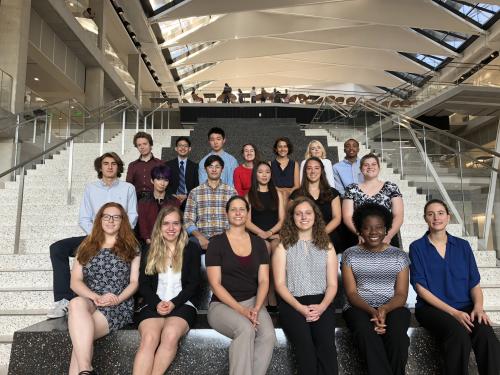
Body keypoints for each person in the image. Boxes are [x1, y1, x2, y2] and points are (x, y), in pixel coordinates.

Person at [409, 199, 500, 375]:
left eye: (441, 213)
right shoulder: (417, 247)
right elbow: (420, 289)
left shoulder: (463, 246)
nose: (436, 217)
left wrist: (479, 308)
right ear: (425, 219)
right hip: (432, 309)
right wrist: (454, 313)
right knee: (458, 336)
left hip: (465, 305)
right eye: (431, 214)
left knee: (486, 336)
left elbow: (474, 283)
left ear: (448, 217)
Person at [48, 152, 138, 319]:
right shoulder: (91, 188)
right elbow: (84, 217)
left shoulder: (128, 188)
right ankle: (63, 300)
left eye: (113, 163)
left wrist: (116, 234)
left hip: (120, 236)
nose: (110, 166)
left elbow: (132, 216)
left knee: (141, 250)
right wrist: (98, 236)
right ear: (100, 167)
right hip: (94, 236)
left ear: (118, 167)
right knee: (57, 248)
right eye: (106, 163)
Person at [68, 202, 140, 375]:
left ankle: (84, 370)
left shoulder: (132, 247)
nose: (111, 220)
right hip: (92, 299)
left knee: (80, 340)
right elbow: (75, 282)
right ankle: (87, 369)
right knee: (76, 303)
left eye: (116, 217)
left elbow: (134, 282)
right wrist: (95, 297)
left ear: (122, 221)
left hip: (118, 304)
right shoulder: (87, 245)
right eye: (106, 216)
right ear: (99, 219)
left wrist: (118, 298)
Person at [206, 196, 276, 375]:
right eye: (233, 209)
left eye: (242, 209)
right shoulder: (216, 243)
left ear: (247, 213)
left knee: (268, 335)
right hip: (223, 305)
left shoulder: (259, 243)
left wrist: (256, 307)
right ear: (226, 213)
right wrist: (242, 310)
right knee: (245, 330)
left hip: (253, 302)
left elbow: (264, 281)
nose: (238, 213)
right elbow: (215, 284)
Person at [342, 203, 410, 375]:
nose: (373, 232)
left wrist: (384, 309)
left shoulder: (399, 255)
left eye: (379, 228)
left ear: (386, 229)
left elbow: (401, 294)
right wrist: (373, 312)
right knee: (366, 335)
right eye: (367, 228)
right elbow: (351, 293)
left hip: (393, 306)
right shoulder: (350, 254)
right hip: (359, 307)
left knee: (398, 339)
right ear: (359, 230)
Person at [273, 196, 338, 375]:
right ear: (292, 218)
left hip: (321, 303)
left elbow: (332, 284)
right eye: (298, 214)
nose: (303, 217)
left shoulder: (328, 247)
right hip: (292, 304)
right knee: (306, 351)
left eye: (308, 213)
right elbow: (279, 284)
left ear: (315, 216)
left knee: (327, 348)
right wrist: (300, 308)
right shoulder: (283, 246)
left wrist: (323, 306)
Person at [133, 206, 201, 375]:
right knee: (149, 339)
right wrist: (157, 303)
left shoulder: (191, 248)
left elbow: (193, 284)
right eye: (166, 224)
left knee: (170, 336)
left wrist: (173, 303)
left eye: (176, 223)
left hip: (182, 304)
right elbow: (143, 285)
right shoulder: (149, 249)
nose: (171, 228)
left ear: (181, 226)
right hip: (152, 303)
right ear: (159, 226)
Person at [342, 153, 403, 248]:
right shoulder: (351, 189)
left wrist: (388, 236)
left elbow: (398, 215)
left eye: (374, 164)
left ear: (379, 168)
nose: (370, 167)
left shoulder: (391, 187)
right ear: (361, 169)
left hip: (387, 239)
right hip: (360, 238)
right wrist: (359, 233)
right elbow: (347, 216)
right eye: (366, 165)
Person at [184, 155, 237, 252]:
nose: (214, 169)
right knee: (188, 246)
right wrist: (200, 237)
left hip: (226, 237)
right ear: (205, 169)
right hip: (200, 238)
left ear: (222, 169)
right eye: (211, 166)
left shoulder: (231, 192)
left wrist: (225, 235)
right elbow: (188, 220)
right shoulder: (195, 192)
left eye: (217, 167)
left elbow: (236, 218)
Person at [290, 157, 342, 252]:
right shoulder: (296, 194)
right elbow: (290, 218)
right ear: (305, 171)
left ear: (322, 170)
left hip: (328, 236)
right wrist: (306, 237)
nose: (313, 171)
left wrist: (320, 234)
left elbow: (337, 218)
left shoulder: (332, 193)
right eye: (309, 168)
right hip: (303, 238)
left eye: (316, 168)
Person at [137, 165, 180, 246]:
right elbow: (143, 226)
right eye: (159, 179)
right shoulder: (143, 202)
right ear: (152, 181)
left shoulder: (175, 202)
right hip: (149, 243)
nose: (162, 183)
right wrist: (148, 241)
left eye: (166, 180)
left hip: (170, 241)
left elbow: (177, 224)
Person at [126, 132, 165, 198]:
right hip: (137, 200)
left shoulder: (160, 163)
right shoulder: (132, 165)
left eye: (145, 144)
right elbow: (128, 185)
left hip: (155, 199)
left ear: (150, 145)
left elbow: (165, 183)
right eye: (139, 145)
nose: (142, 147)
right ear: (137, 147)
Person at [165, 136, 199, 209]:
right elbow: (165, 182)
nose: (183, 148)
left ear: (189, 149)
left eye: (185, 146)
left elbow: (196, 185)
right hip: (172, 200)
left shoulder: (195, 166)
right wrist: (173, 195)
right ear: (176, 148)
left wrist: (187, 195)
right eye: (180, 145)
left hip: (189, 200)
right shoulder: (168, 165)